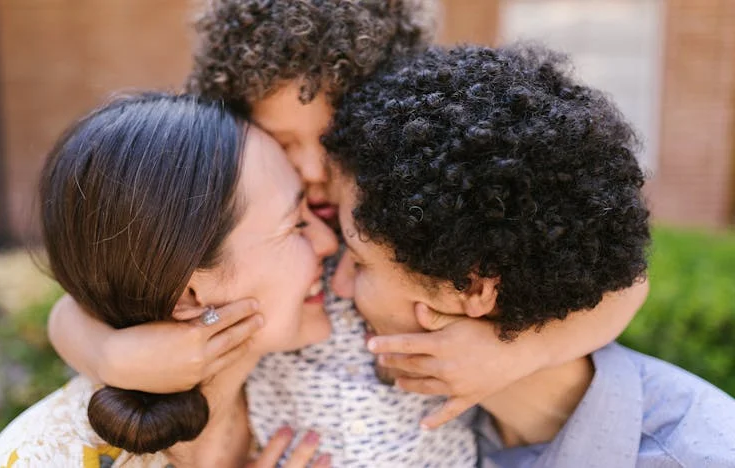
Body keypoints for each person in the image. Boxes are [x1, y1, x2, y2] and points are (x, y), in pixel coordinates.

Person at [47, 1, 649, 465]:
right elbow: (81, 307)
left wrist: (514, 353)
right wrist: (112, 355)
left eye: (330, 140)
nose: (312, 171)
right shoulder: (255, 246)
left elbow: (623, 285)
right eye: (283, 142)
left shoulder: (409, 234)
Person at [325, 44, 735, 467]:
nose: (337, 284)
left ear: (473, 287)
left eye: (359, 262)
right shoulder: (433, 433)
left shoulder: (701, 456)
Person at [0, 93, 338, 467]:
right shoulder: (44, 457)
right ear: (188, 296)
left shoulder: (314, 393)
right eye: (297, 224)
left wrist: (108, 353)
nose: (330, 241)